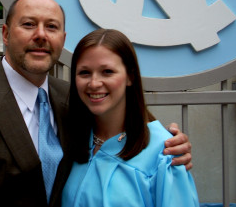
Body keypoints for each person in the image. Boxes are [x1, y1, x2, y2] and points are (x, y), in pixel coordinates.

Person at [0, 0, 191, 207]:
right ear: (5, 34)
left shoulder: (73, 98)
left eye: (51, 27)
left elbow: (127, 129)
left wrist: (170, 144)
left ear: (62, 39)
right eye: (28, 24)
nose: (40, 35)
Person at [62, 29, 199, 206]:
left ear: (130, 77)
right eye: (84, 73)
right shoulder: (71, 138)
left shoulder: (164, 152)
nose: (94, 83)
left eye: (108, 71)